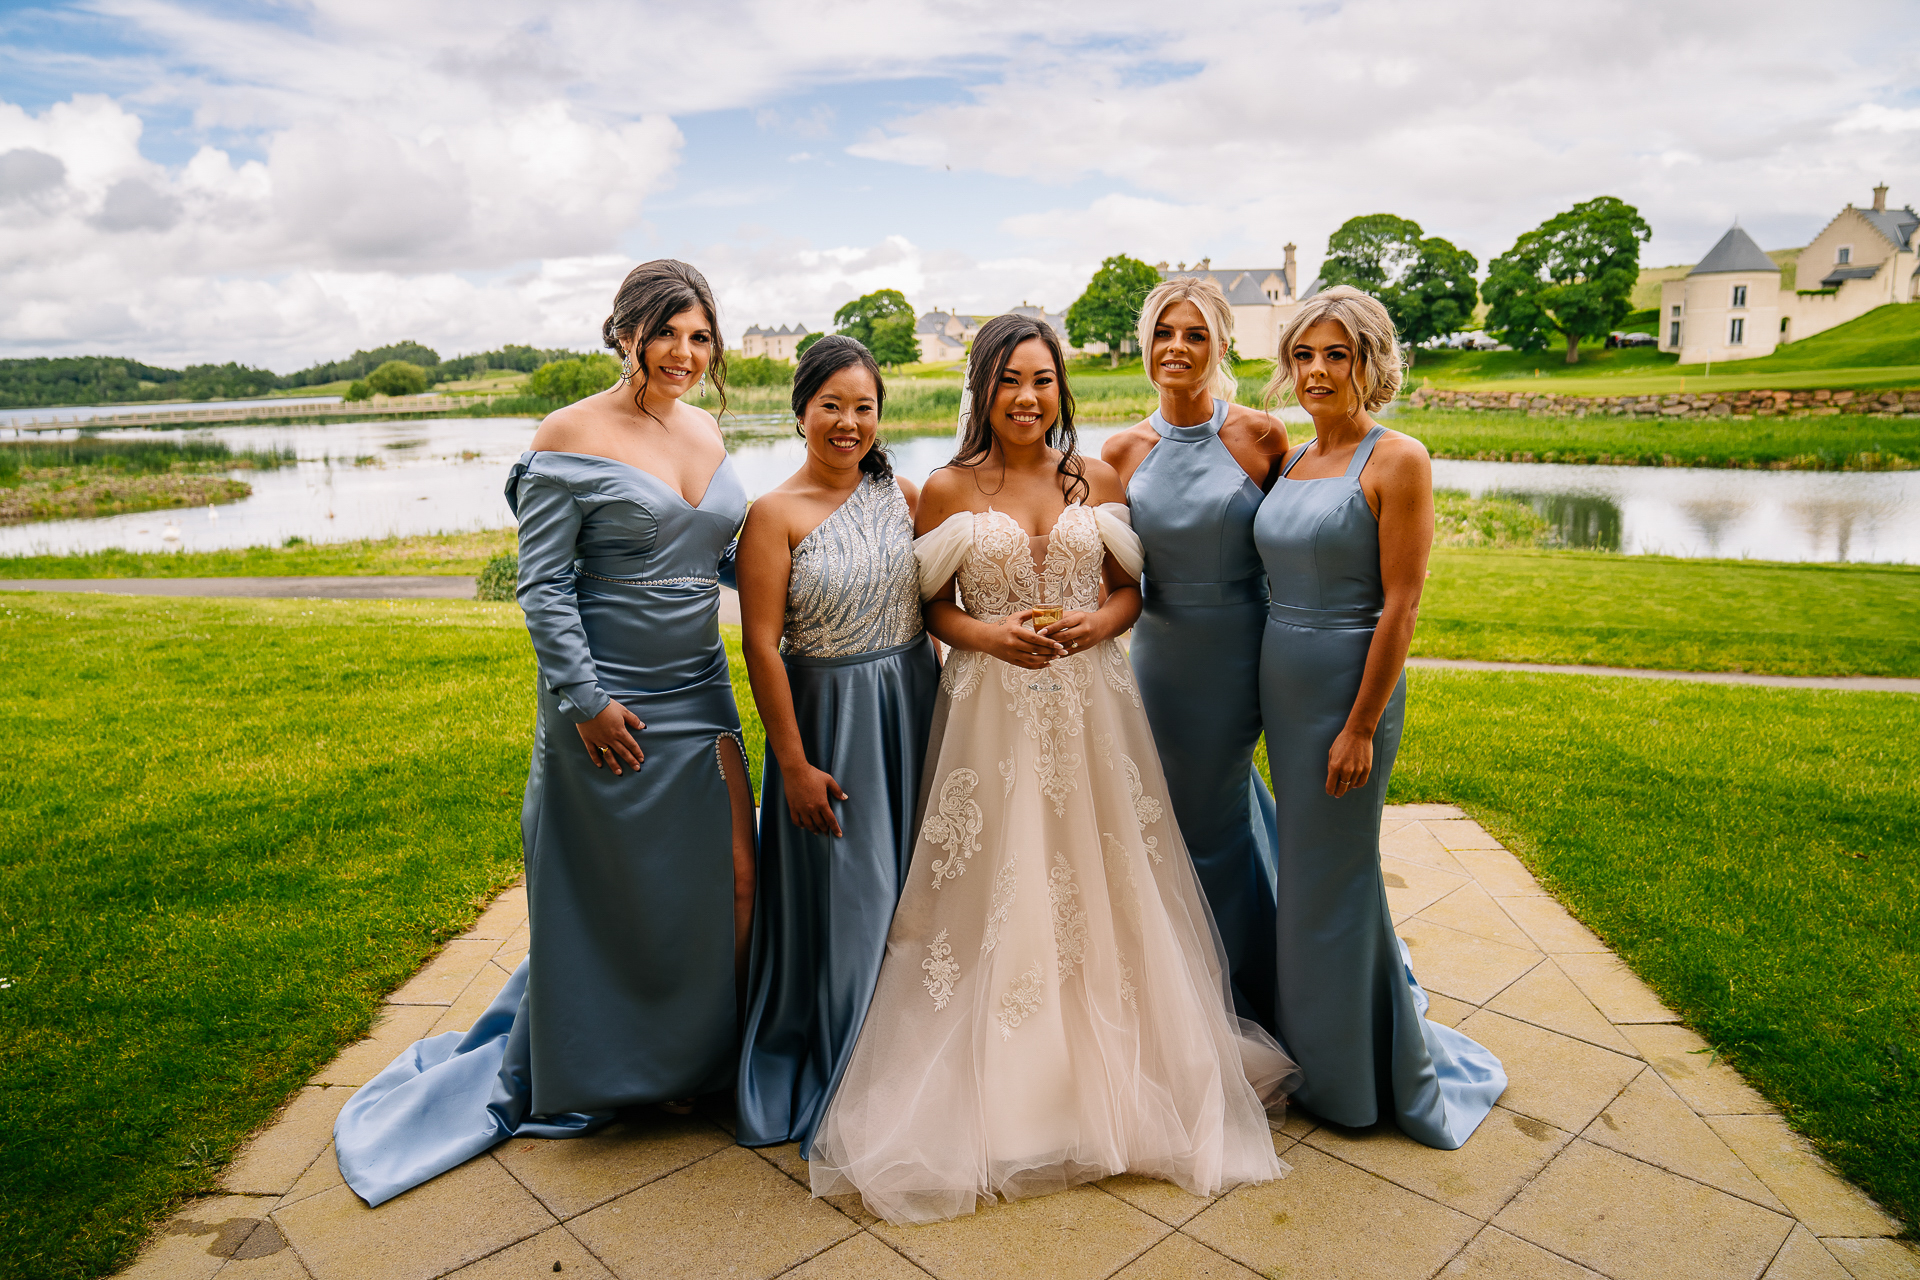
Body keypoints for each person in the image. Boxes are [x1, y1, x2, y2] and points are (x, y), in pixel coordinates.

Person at [807, 314, 1299, 1226]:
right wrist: (990, 634)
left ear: (1058, 388)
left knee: (1107, 878)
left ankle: (1129, 1072)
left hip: (1092, 710)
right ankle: (1016, 1085)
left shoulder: (1098, 477)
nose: (1026, 398)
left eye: (1040, 380)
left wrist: (1097, 626)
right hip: (990, 714)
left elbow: (1129, 592)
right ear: (981, 392)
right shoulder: (948, 489)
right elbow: (934, 610)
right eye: (1007, 382)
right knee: (998, 881)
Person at [332, 260, 756, 1206]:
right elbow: (544, 585)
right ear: (625, 334)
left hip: (702, 689)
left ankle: (706, 1060)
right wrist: (586, 702)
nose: (685, 354)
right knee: (617, 892)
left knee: (729, 878)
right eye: (668, 334)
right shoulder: (568, 434)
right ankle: (618, 1073)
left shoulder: (707, 427)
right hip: (607, 704)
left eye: (700, 337)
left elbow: (724, 554)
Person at [1254, 285, 1505, 1148]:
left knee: (1338, 876)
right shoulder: (1288, 459)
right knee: (1304, 872)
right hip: (1280, 682)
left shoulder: (1398, 458)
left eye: (1338, 355)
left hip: (1347, 687)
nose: (1319, 371)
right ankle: (1317, 1045)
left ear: (1371, 363)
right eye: (1306, 355)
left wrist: (1360, 724)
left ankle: (1358, 1078)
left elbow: (1401, 608)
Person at [733, 336, 940, 1152]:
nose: (849, 423)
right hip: (831, 722)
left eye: (865, 407)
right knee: (857, 898)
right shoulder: (772, 516)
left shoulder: (909, 494)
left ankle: (928, 1054)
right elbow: (760, 644)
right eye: (832, 405)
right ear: (800, 412)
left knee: (924, 890)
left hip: (916, 703)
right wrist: (791, 764)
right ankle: (856, 1071)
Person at [1102, 277, 1292, 1032]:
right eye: (1163, 334)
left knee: (1213, 823)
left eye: (1194, 335)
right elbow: (1107, 566)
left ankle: (1234, 995)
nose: (1176, 349)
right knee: (1165, 821)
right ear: (1146, 346)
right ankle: (1170, 989)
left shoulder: (1262, 435)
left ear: (1219, 346)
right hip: (1157, 655)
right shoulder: (1120, 450)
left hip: (1239, 651)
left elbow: (1295, 540)